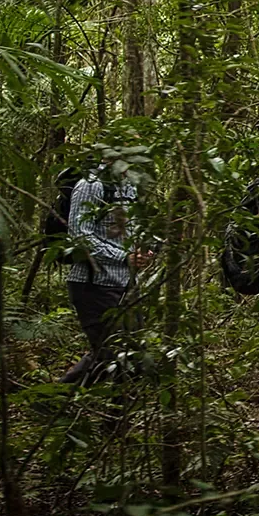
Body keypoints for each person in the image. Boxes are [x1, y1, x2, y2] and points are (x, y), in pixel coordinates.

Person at [60, 161, 150, 384]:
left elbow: (128, 231)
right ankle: (58, 403)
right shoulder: (91, 185)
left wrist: (144, 251)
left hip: (125, 283)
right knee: (112, 352)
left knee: (131, 351)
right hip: (94, 284)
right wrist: (122, 256)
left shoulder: (130, 186)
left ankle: (57, 402)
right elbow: (80, 235)